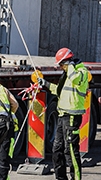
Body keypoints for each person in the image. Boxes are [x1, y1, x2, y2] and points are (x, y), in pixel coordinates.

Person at [38, 47, 91, 180]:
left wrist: (70, 66)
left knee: (71, 150)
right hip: (62, 116)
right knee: (57, 149)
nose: (61, 67)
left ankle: (76, 178)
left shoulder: (81, 72)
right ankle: (60, 177)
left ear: (67, 62)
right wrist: (45, 84)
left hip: (72, 116)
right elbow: (59, 91)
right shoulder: (68, 74)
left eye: (62, 64)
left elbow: (75, 80)